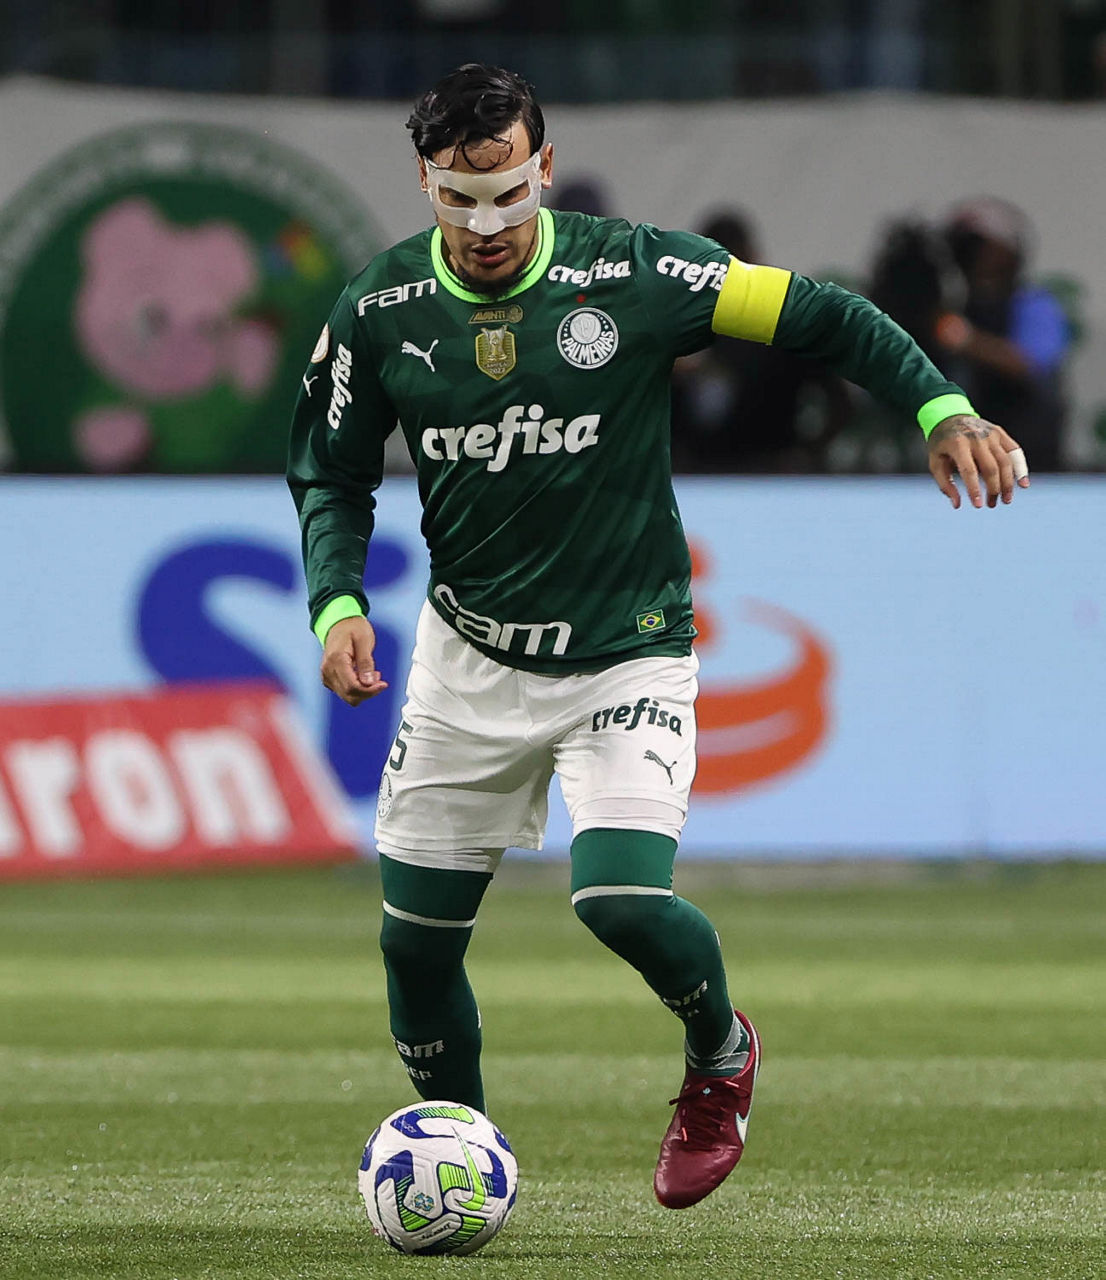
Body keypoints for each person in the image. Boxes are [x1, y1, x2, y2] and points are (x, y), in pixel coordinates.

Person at [287, 63, 1030, 1211]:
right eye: (457, 198)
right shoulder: (379, 310)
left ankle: (718, 1052)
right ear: (423, 182)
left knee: (618, 899)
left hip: (624, 649)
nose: (485, 224)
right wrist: (337, 603)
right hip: (466, 658)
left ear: (543, 167)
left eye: (506, 193)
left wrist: (939, 406)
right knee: (414, 949)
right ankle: (465, 1164)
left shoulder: (632, 272)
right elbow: (329, 474)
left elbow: (820, 313)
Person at [669, 209, 850, 473]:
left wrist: (806, 455)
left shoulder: (784, 327)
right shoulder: (677, 331)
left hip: (766, 468)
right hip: (700, 472)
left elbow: (840, 402)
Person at [936, 197, 1070, 471]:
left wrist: (965, 340)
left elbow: (1028, 365)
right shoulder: (955, 308)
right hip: (965, 460)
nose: (973, 257)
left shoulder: (1034, 305)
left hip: (1030, 457)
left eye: (980, 246)